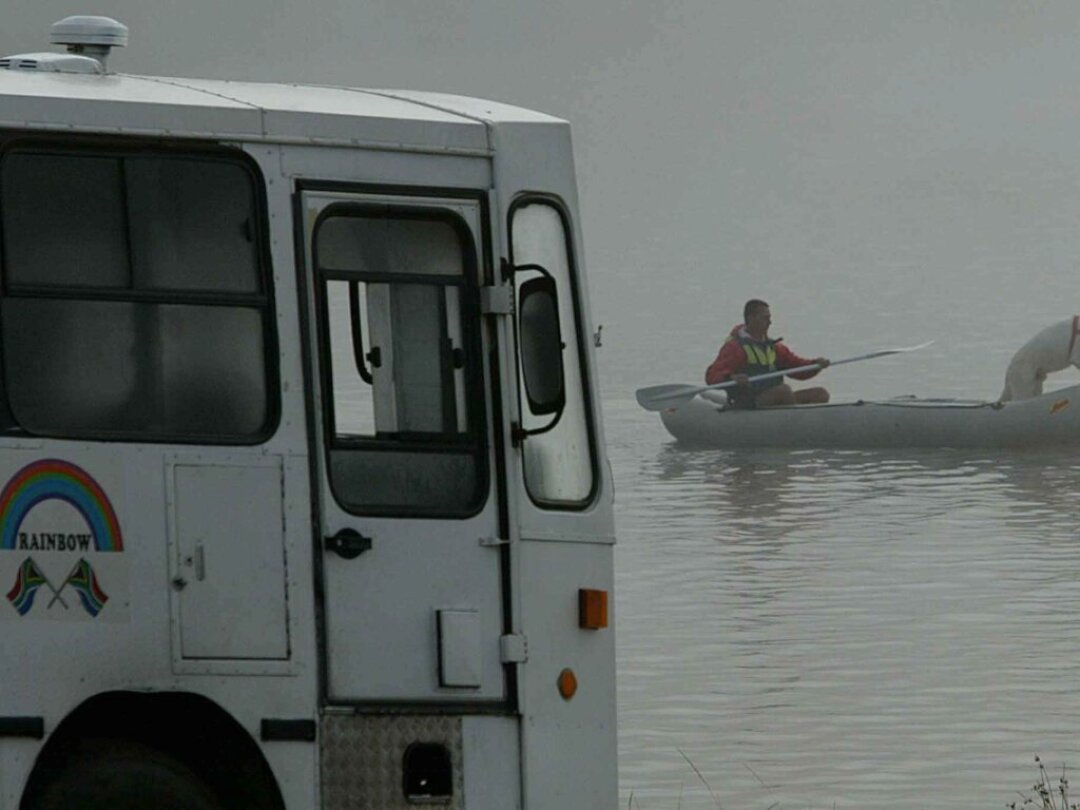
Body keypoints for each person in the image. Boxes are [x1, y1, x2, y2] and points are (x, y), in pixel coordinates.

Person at [705, 299, 831, 408]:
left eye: (769, 318)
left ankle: (808, 426)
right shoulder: (735, 347)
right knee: (784, 391)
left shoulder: (774, 347)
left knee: (820, 394)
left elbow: (796, 368)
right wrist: (731, 378)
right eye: (765, 318)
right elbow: (712, 375)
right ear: (751, 318)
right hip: (748, 402)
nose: (770, 322)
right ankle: (793, 428)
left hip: (775, 399)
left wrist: (815, 364)